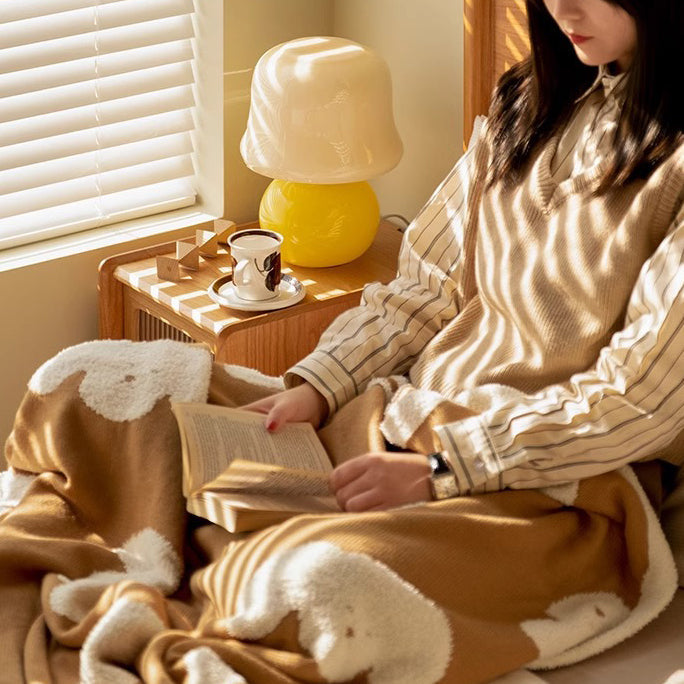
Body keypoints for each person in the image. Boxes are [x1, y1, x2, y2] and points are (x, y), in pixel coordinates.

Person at [244, 0, 683, 512]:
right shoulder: (529, 100)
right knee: (166, 431)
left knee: (296, 570)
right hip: (410, 418)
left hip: (554, 480)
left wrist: (444, 470)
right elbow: (426, 289)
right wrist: (323, 385)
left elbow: (638, 399)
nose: (562, 8)